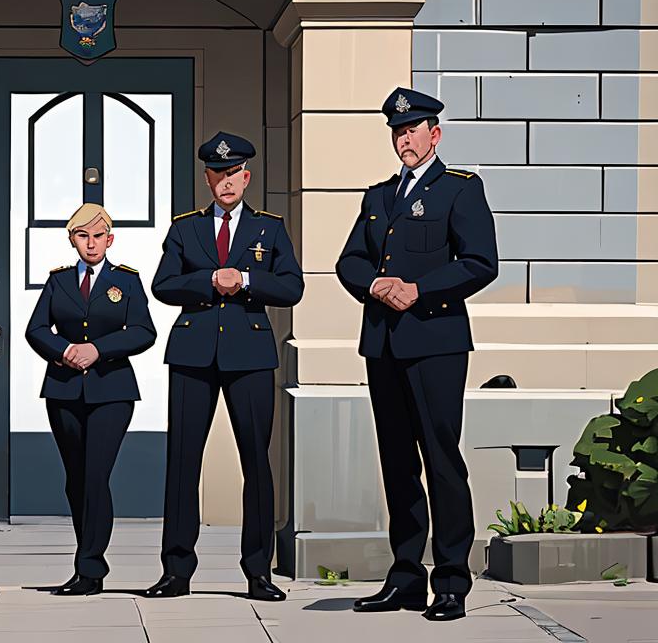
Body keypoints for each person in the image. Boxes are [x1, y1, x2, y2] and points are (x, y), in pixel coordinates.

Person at [336, 87, 498, 622]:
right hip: (383, 343)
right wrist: (378, 285)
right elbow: (349, 262)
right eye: (397, 132)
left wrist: (419, 290)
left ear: (435, 134)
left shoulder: (459, 189)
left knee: (441, 461)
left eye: (412, 130)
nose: (404, 139)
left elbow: (480, 262)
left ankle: (451, 579)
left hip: (436, 343)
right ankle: (406, 576)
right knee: (398, 464)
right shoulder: (379, 196)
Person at [144, 132, 304, 602]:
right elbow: (164, 285)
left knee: (256, 461)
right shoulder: (185, 228)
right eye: (218, 173)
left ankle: (258, 571)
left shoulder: (269, 228)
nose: (226, 181)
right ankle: (176, 571)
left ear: (246, 177)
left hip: (250, 354)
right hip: (193, 354)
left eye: (234, 173)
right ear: (208, 177)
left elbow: (292, 287)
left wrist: (248, 280)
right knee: (182, 463)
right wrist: (210, 279)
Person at [25, 203, 157, 596]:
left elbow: (142, 331)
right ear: (72, 240)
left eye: (98, 236)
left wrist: (98, 349)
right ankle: (88, 559)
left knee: (96, 475)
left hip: (111, 390)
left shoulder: (127, 281)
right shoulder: (59, 281)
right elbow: (36, 328)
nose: (91, 243)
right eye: (83, 236)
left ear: (110, 239)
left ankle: (90, 568)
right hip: (64, 389)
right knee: (76, 478)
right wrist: (64, 349)